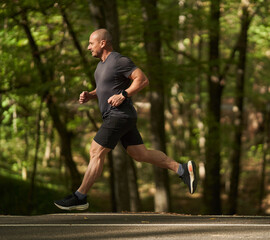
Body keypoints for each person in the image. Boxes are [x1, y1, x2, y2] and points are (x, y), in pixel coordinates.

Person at [54, 29, 197, 211]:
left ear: (103, 43)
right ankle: (182, 169)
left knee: (96, 151)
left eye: (91, 43)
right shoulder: (100, 67)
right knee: (140, 154)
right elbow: (106, 87)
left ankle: (80, 196)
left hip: (119, 115)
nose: (88, 47)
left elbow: (142, 80)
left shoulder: (119, 60)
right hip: (121, 117)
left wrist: (124, 94)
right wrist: (91, 95)